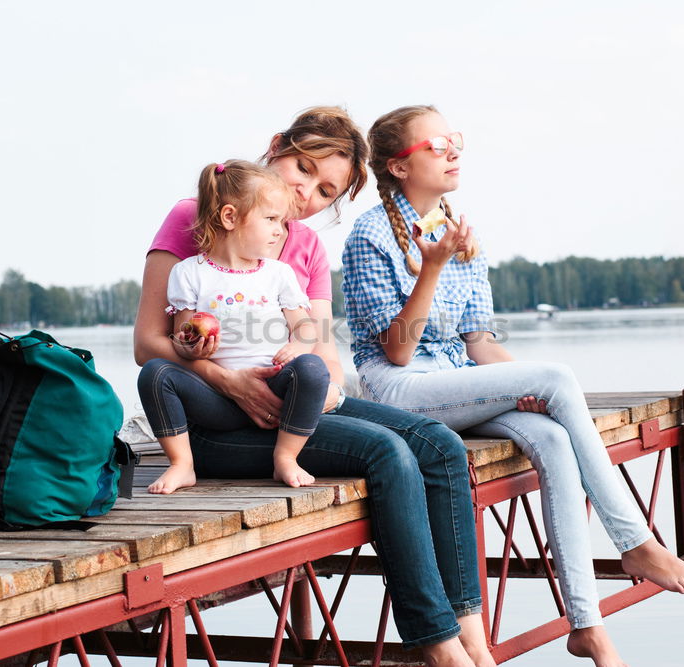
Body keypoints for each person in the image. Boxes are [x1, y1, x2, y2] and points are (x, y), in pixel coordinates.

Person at [341, 105, 684, 667]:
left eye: (454, 141)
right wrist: (431, 269)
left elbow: (480, 342)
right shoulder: (369, 236)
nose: (452, 152)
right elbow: (396, 349)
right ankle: (637, 544)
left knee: (555, 435)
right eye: (437, 144)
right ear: (397, 166)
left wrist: (529, 389)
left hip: (455, 382)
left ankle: (586, 626)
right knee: (558, 375)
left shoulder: (459, 231)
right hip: (397, 390)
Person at [133, 107, 495, 666]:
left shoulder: (303, 248)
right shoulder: (200, 215)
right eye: (303, 168)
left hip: (295, 402)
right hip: (220, 419)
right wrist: (227, 380)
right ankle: (438, 644)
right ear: (276, 146)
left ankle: (471, 633)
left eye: (326, 191)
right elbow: (149, 344)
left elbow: (322, 345)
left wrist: (318, 380)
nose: (305, 194)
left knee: (439, 446)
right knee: (387, 452)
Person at [139, 160, 329, 492]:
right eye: (271, 219)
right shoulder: (189, 272)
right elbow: (181, 340)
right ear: (230, 217)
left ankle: (285, 456)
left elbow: (308, 327)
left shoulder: (277, 274)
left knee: (312, 368)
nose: (279, 231)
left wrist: (298, 346)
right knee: (155, 373)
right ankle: (183, 464)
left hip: (274, 388)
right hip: (217, 399)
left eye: (281, 222)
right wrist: (190, 346)